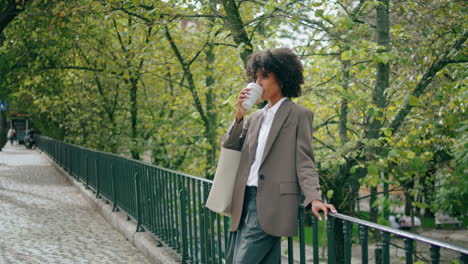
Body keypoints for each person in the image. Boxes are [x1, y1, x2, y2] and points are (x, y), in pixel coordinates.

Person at [222, 47, 337, 264]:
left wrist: (314, 198)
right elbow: (229, 146)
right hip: (243, 200)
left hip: (272, 203)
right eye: (255, 77)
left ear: (282, 78)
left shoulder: (299, 115)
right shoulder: (254, 118)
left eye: (265, 76)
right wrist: (239, 114)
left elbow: (304, 161)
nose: (258, 83)